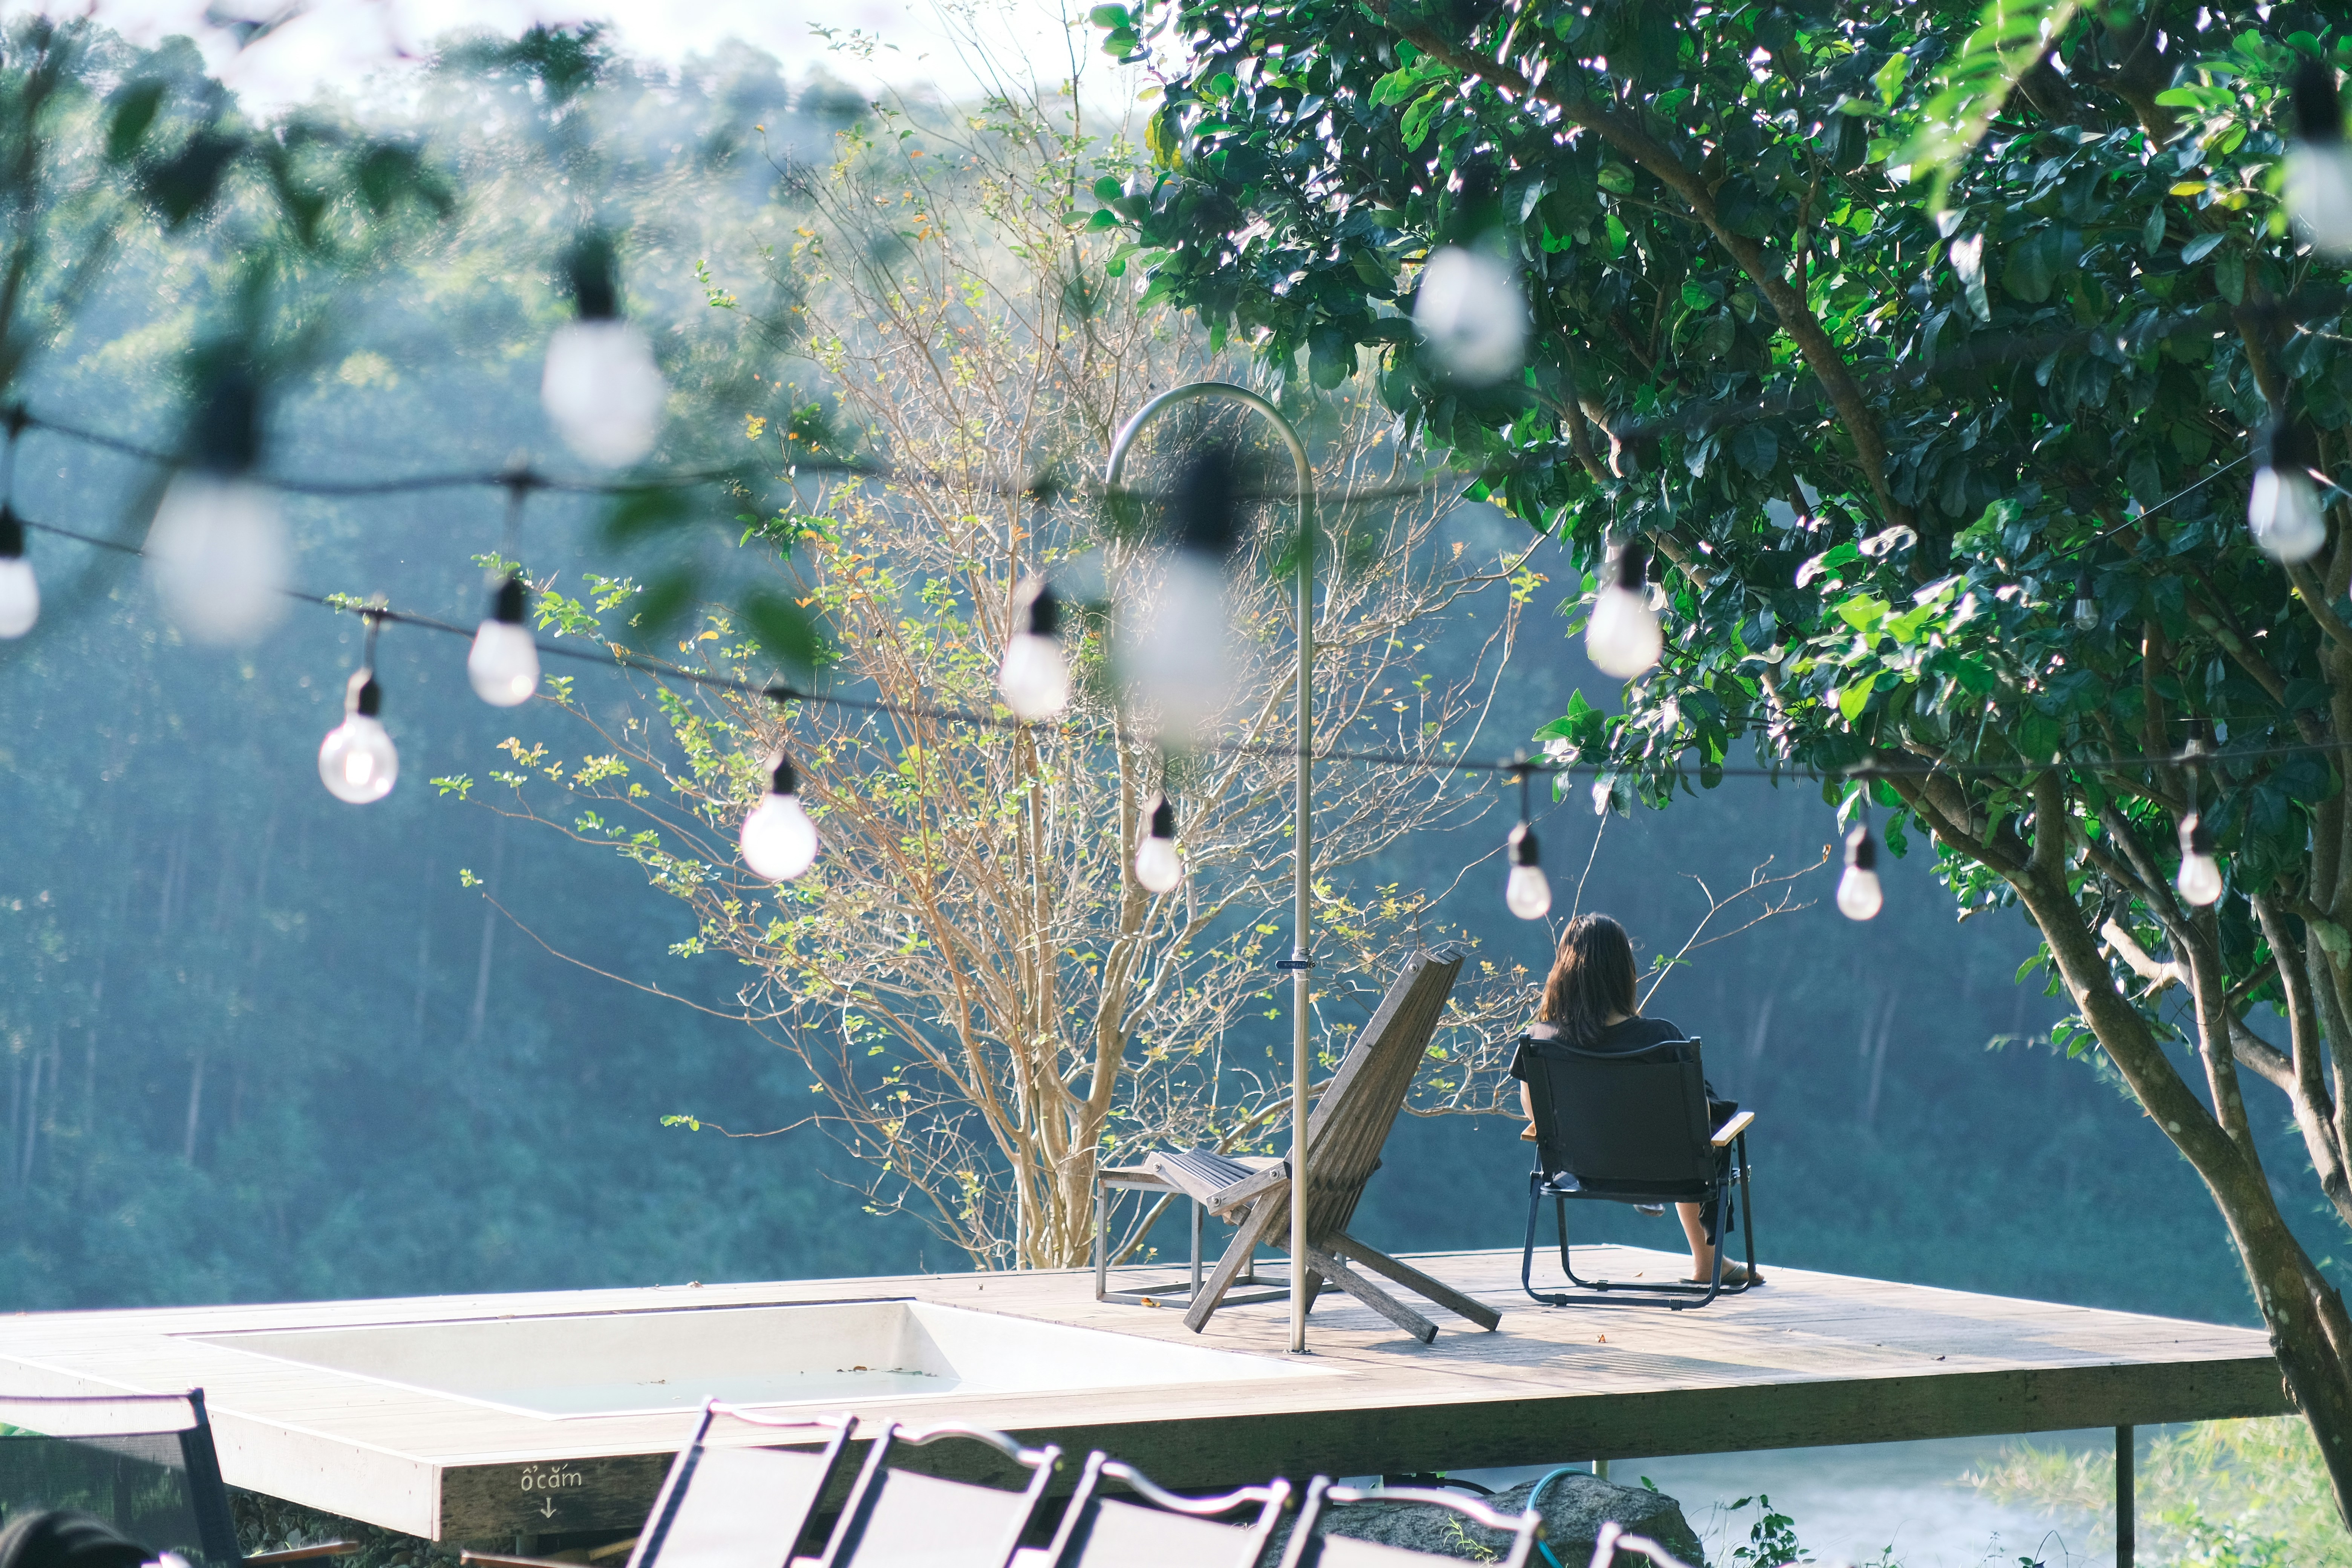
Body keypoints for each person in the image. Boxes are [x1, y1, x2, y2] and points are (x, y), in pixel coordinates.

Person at [1511, 913, 1762, 1288]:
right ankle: (1709, 1261)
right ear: (1624, 972)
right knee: (1711, 1125)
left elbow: (1536, 1115)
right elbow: (1697, 1117)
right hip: (1668, 1171)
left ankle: (1710, 1262)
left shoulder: (1540, 1040)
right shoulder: (1661, 1039)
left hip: (1580, 1170)